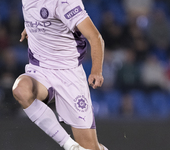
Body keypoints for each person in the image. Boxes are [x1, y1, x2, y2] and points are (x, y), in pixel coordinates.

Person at [12, 0, 107, 150]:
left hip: (69, 74)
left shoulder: (65, 2)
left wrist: (96, 71)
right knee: (21, 89)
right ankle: (70, 146)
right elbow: (37, 13)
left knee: (90, 147)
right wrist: (29, 28)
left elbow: (95, 37)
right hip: (41, 69)